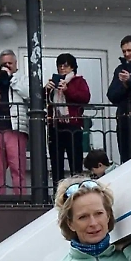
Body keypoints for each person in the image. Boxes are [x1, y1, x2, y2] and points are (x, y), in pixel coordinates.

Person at [0, 49, 28, 195]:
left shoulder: (23, 78)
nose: (7, 66)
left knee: (17, 167)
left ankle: (21, 199)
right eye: (3, 64)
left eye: (9, 63)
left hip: (14, 128)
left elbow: (29, 94)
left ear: (16, 64)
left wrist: (11, 78)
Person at [46, 53, 91, 181]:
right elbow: (44, 101)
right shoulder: (54, 82)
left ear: (72, 67)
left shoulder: (78, 81)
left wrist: (67, 90)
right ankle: (58, 188)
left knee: (75, 160)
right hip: (55, 125)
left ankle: (76, 186)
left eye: (65, 66)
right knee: (56, 162)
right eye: (60, 66)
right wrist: (46, 89)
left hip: (73, 125)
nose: (62, 68)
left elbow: (85, 98)